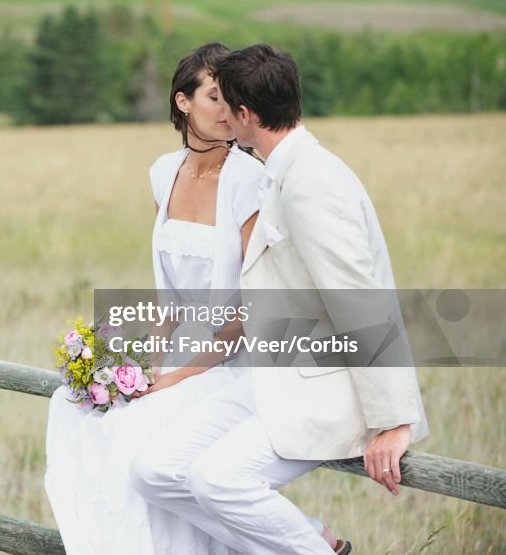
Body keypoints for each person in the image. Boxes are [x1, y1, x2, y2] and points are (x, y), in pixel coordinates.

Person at [129, 43, 428, 554]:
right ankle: (310, 540)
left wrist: (394, 420)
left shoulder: (311, 182)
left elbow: (359, 302)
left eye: (229, 105)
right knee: (153, 472)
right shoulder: (279, 168)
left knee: (218, 480)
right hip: (269, 373)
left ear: (246, 114)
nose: (223, 115)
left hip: (323, 384)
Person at [45, 43, 338, 554]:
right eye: (214, 97)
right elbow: (169, 300)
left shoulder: (250, 179)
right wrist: (147, 369)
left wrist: (174, 380)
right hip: (183, 358)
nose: (227, 111)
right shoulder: (163, 172)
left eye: (233, 100)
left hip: (239, 361)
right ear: (183, 103)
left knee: (141, 442)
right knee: (74, 409)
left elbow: (250, 308)